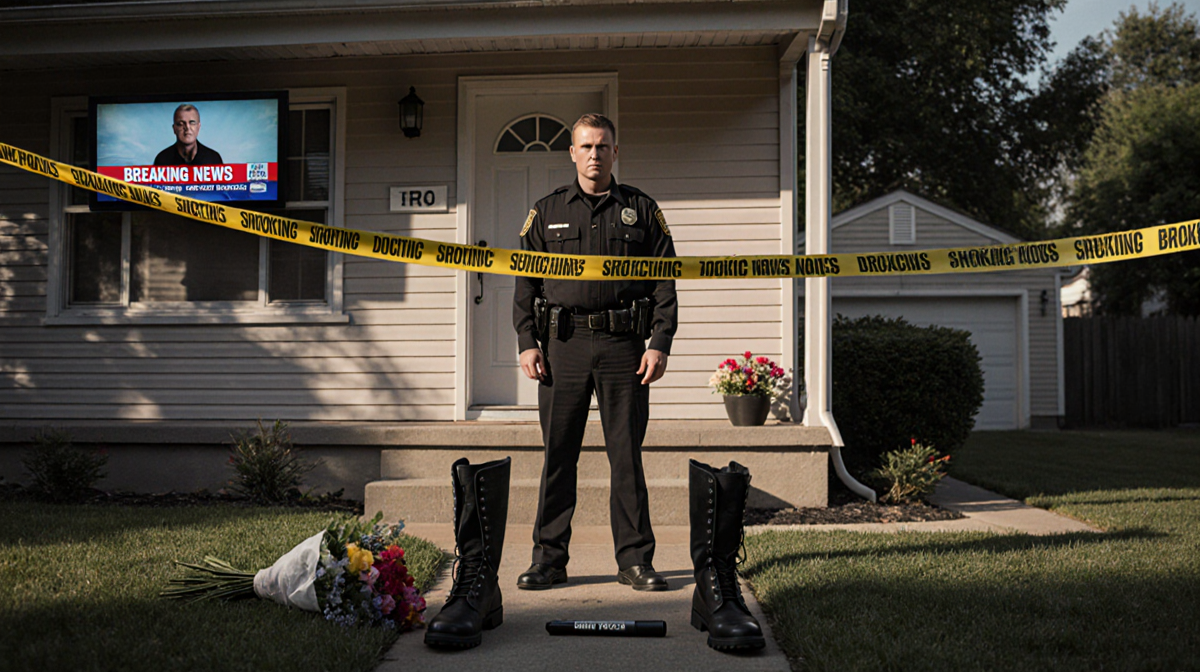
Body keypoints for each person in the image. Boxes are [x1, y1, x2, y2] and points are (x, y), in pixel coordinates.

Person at [512, 113, 678, 592]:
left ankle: (634, 561)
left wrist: (660, 343)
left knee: (626, 456)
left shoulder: (643, 211)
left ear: (615, 152)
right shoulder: (545, 212)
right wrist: (527, 341)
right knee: (558, 456)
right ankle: (548, 560)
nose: (594, 155)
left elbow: (666, 280)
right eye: (586, 147)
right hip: (561, 346)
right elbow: (524, 282)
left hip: (623, 346)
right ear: (572, 153)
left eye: (603, 146)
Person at [153, 104, 223, 166]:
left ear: (198, 127)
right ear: (174, 129)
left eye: (192, 123)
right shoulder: (162, 160)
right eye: (181, 124)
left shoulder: (213, 159)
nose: (187, 128)